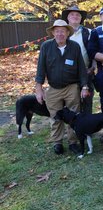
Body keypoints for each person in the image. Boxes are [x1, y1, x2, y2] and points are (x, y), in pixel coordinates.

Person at [35, 20, 88, 155]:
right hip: (53, 88)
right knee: (55, 116)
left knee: (74, 115)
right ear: (53, 32)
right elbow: (40, 69)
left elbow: (82, 69)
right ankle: (57, 142)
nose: (60, 34)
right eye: (57, 31)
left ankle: (73, 142)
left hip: (71, 87)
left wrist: (84, 86)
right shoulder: (46, 46)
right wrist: (39, 88)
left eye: (63, 31)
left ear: (67, 33)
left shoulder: (75, 47)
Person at [62, 5, 94, 114]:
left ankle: (87, 128)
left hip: (87, 72)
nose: (75, 17)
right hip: (69, 73)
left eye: (77, 15)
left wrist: (93, 67)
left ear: (81, 18)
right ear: (68, 17)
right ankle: (74, 127)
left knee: (87, 100)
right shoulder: (63, 33)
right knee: (72, 101)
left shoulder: (89, 32)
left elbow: (94, 52)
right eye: (72, 14)